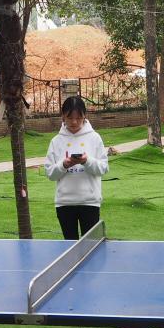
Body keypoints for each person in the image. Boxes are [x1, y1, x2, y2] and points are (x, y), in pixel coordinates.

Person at [44, 95, 109, 239]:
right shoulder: (56, 141)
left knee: (90, 246)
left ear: (85, 116)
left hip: (90, 202)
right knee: (70, 245)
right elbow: (50, 173)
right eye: (70, 118)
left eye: (78, 118)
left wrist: (87, 161)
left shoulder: (94, 138)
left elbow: (104, 168)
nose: (74, 122)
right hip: (64, 204)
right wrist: (63, 165)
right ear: (63, 116)